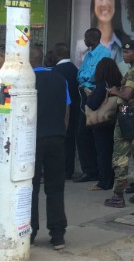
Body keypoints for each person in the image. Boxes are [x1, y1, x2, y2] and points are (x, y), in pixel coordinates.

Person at [29, 46, 70, 250]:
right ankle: (58, 235)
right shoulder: (59, 79)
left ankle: (30, 232)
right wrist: (62, 132)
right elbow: (66, 108)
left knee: (30, 188)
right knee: (55, 188)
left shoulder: (24, 80)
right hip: (56, 138)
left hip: (32, 140)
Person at [104, 41, 134, 208]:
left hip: (127, 117)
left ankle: (118, 196)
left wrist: (114, 91)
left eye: (128, 52)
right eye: (123, 52)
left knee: (120, 157)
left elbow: (127, 93)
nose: (124, 54)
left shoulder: (132, 72)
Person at [75, 28, 110, 183]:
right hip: (85, 93)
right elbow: (79, 74)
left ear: (94, 37)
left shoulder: (104, 52)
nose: (84, 40)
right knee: (82, 134)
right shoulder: (88, 54)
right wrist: (84, 80)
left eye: (86, 37)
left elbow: (96, 75)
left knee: (96, 133)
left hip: (96, 94)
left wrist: (85, 79)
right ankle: (88, 170)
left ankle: (97, 171)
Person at [85, 58, 122, 191]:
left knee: (103, 153)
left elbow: (94, 104)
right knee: (113, 152)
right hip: (114, 120)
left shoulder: (102, 85)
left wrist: (89, 97)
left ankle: (104, 182)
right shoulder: (118, 82)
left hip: (102, 123)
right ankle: (114, 179)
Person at [75, 0, 130, 67]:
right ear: (94, 2)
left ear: (116, 2)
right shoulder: (81, 47)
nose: (105, 3)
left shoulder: (126, 43)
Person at [49, 43, 80, 180]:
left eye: (54, 53)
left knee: (60, 142)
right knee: (70, 142)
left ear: (59, 55)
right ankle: (68, 170)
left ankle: (60, 171)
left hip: (60, 111)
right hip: (75, 110)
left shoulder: (56, 71)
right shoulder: (75, 69)